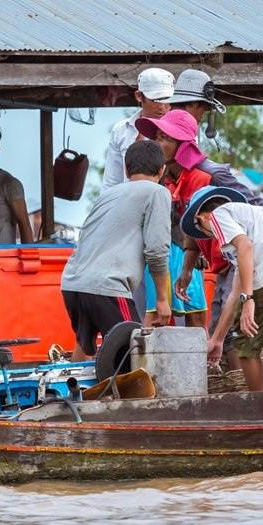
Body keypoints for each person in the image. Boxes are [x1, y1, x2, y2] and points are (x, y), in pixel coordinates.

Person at [59, 140, 172, 358]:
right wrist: (162, 298)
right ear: (162, 169)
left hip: (73, 283)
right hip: (107, 286)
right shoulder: (157, 192)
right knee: (131, 355)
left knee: (84, 346)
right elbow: (157, 250)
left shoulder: (108, 195)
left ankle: (76, 391)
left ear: (126, 169)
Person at [184, 185, 263, 391]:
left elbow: (246, 247)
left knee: (246, 349)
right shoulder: (257, 216)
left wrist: (249, 300)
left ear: (201, 219)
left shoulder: (218, 216)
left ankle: (262, 408)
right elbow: (235, 290)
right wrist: (217, 339)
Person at [134, 109, 213, 327]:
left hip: (188, 251)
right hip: (158, 250)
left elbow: (206, 223)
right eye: (156, 138)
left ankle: (200, 361)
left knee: (195, 315)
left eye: (164, 138)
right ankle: (150, 361)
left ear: (183, 145)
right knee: (156, 315)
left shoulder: (202, 179)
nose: (157, 144)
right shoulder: (155, 179)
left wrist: (199, 249)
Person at [101, 67, 174, 191]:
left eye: (167, 99)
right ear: (139, 96)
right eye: (155, 99)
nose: (162, 106)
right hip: (127, 203)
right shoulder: (121, 130)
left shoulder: (181, 131)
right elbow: (111, 182)